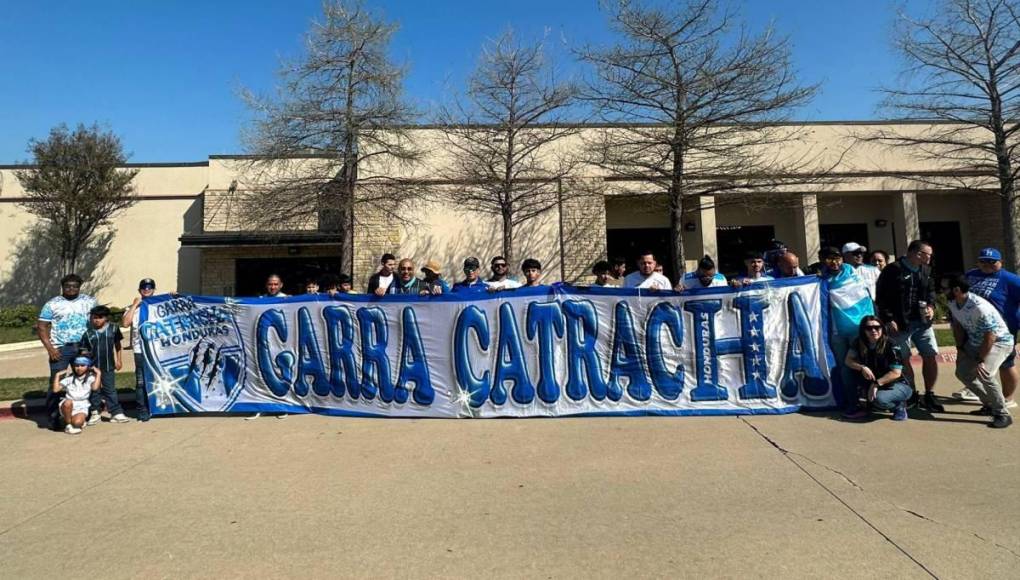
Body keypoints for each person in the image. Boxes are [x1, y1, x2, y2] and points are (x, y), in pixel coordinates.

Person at [875, 240, 943, 411]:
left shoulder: (926, 270)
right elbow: (881, 297)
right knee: (904, 359)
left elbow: (931, 292)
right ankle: (911, 394)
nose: (930, 258)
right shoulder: (893, 270)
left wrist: (931, 307)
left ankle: (929, 394)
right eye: (928, 254)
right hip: (900, 324)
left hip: (922, 323)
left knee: (930, 355)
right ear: (917, 253)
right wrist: (888, 318)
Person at [947, 275, 1014, 428]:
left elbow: (991, 335)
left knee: (985, 374)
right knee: (962, 373)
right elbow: (957, 325)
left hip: (999, 342)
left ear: (956, 290)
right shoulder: (952, 302)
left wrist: (980, 360)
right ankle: (990, 404)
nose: (941, 292)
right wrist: (960, 348)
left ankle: (1002, 413)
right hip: (975, 342)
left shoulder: (979, 307)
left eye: (944, 288)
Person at [817, 246, 876, 416]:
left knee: (864, 364)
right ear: (823, 261)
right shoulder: (821, 279)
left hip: (858, 329)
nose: (834, 262)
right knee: (844, 368)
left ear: (843, 259)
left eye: (837, 258)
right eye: (829, 259)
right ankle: (852, 402)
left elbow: (866, 299)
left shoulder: (854, 274)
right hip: (837, 331)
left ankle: (873, 400)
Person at [961, 247, 1020, 406]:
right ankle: (973, 388)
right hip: (974, 327)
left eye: (991, 262)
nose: (986, 264)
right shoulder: (971, 275)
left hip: (1003, 328)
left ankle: (1007, 398)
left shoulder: (1010, 279)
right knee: (975, 357)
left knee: (1006, 363)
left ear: (1001, 262)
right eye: (982, 261)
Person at [38, 273, 97, 430]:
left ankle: (87, 413)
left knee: (86, 380)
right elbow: (42, 327)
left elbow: (98, 321)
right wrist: (50, 348)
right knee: (57, 382)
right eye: (67, 286)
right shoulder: (52, 304)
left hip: (83, 347)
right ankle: (53, 417)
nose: (71, 289)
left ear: (80, 287)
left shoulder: (90, 301)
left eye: (75, 286)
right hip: (61, 349)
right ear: (62, 287)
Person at [844, 316, 912, 421]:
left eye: (877, 327)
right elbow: (848, 360)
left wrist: (876, 384)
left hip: (896, 385)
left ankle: (899, 406)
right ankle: (857, 406)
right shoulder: (859, 342)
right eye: (869, 328)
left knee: (879, 400)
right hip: (874, 382)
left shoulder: (891, 344)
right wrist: (862, 367)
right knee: (847, 371)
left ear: (882, 328)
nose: (873, 330)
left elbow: (896, 373)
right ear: (863, 330)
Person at [80, 305, 130, 424]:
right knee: (95, 390)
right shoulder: (88, 334)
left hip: (108, 365)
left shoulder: (113, 329)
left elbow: (118, 346)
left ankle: (116, 412)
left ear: (106, 318)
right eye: (94, 317)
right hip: (93, 367)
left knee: (110, 389)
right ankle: (95, 412)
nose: (97, 320)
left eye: (100, 317)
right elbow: (83, 351)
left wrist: (119, 360)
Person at [121, 278, 156, 421]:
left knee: (158, 379)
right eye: (144, 288)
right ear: (139, 290)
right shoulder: (133, 308)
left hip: (157, 351)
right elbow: (125, 323)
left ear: (154, 289)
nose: (146, 290)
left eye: (149, 287)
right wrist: (135, 305)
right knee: (141, 382)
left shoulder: (160, 305)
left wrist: (173, 296)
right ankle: (142, 410)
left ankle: (158, 407)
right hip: (140, 350)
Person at [52, 356, 101, 435]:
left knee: (77, 423)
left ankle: (67, 420)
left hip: (82, 405)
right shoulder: (70, 379)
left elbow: (95, 388)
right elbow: (55, 389)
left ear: (88, 366)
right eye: (77, 366)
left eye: (82, 365)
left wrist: (98, 374)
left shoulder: (90, 378)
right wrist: (57, 376)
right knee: (68, 402)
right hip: (69, 404)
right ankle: (68, 424)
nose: (79, 368)